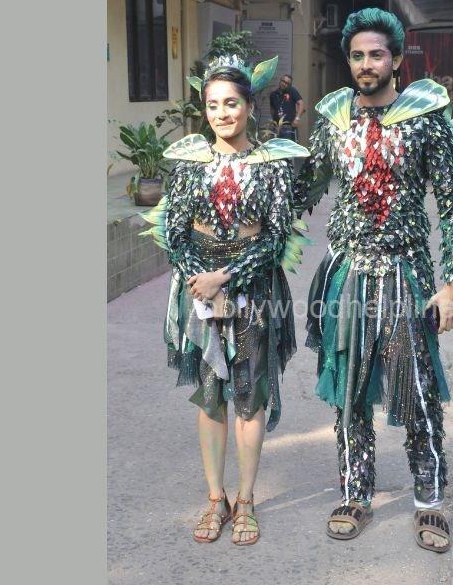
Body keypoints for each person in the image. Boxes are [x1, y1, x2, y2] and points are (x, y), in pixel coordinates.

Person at [295, 8, 453, 554]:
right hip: (347, 272)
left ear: (397, 59)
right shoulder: (334, 122)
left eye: (376, 54)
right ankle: (355, 492)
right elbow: (305, 190)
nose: (366, 64)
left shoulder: (427, 120)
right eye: (357, 55)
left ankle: (429, 499)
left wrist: (452, 286)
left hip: (407, 274)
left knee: (418, 389)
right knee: (349, 389)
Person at [142, 54, 309, 546]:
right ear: (204, 109)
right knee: (211, 397)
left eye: (231, 103)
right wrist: (201, 280)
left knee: (250, 397)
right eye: (213, 104)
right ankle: (216, 498)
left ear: (250, 106)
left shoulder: (272, 165)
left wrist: (226, 276)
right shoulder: (188, 164)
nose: (222, 113)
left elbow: (275, 238)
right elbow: (175, 233)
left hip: (252, 293)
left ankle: (247, 499)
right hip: (199, 293)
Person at [269, 74, 305, 141]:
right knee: (274, 146)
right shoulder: (273, 94)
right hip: (276, 127)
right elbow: (272, 109)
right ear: (280, 81)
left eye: (287, 83)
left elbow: (301, 103)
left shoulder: (292, 91)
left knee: (286, 147)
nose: (284, 84)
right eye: (283, 81)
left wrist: (297, 119)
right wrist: (273, 120)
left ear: (289, 85)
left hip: (288, 126)